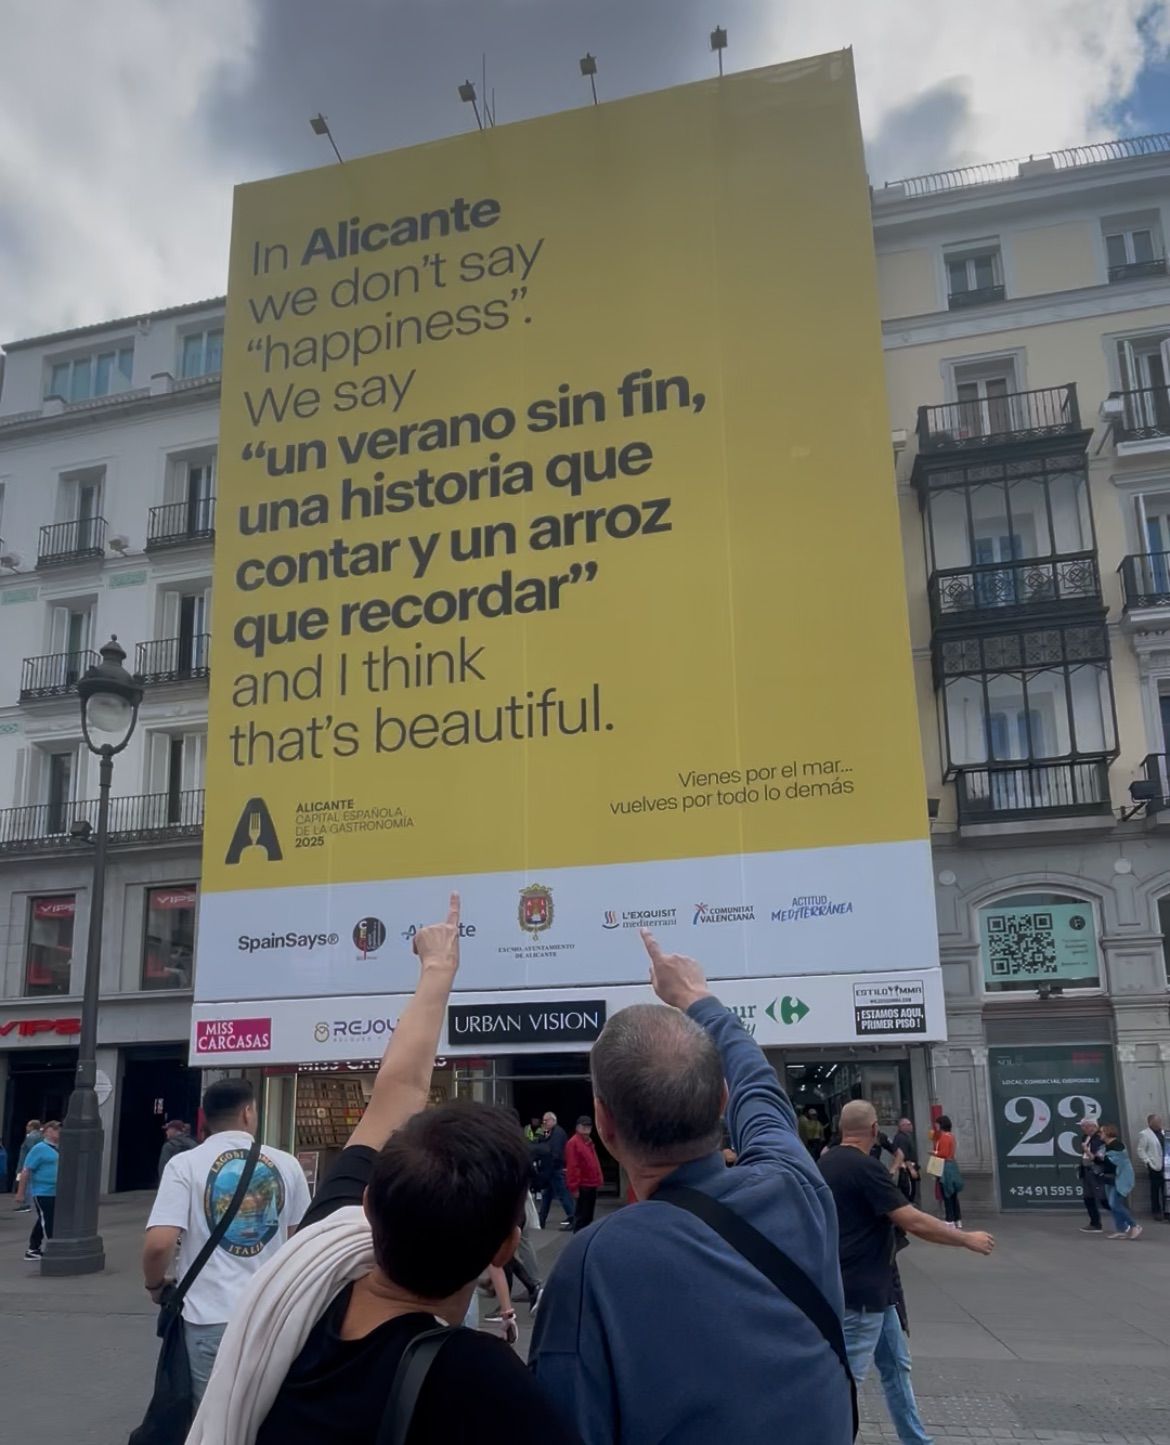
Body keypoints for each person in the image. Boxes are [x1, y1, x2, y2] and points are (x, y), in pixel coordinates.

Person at [187, 895, 582, 1445]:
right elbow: (402, 1089)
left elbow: (397, 1090)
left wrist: (436, 969)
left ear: (368, 1205)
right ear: (505, 1247)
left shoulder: (316, 1263)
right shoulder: (489, 1387)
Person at [530, 932, 853, 1444]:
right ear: (722, 1099)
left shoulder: (595, 1263)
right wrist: (696, 997)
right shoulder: (796, 1191)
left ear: (603, 1123)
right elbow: (762, 1091)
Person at [819, 1100, 994, 1445]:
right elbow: (911, 1220)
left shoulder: (826, 1162)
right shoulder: (864, 1167)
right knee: (845, 1383)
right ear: (873, 1130)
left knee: (897, 1369)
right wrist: (965, 1239)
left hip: (873, 1291)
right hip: (863, 1293)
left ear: (841, 1128)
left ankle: (916, 1441)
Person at [142, 1079, 311, 1406]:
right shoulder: (286, 1164)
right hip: (271, 1314)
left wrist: (154, 1286)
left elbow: (159, 1245)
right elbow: (298, 1242)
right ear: (248, 1112)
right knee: (268, 1415)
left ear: (205, 1116)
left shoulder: (185, 1165)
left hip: (210, 1317)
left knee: (214, 1420)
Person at [15, 1120, 60, 1259]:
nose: (60, 1132)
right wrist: (20, 1193)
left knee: (44, 1218)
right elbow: (26, 1170)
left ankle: (33, 1249)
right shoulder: (39, 1148)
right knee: (48, 1219)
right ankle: (54, 1248)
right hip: (43, 1191)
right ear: (48, 1131)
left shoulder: (58, 1148)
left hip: (55, 1191)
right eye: (57, 1129)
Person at [1100, 1123, 1142, 1240]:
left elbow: (1114, 1162)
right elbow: (1103, 1161)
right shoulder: (1106, 1146)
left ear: (1108, 1132)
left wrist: (1102, 1157)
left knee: (1115, 1204)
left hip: (1120, 1179)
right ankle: (1121, 1229)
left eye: (1102, 1132)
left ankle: (1134, 1225)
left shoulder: (1117, 1146)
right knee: (1113, 1205)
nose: (1100, 1134)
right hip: (1109, 1178)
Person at [565, 1115, 603, 1232]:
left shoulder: (588, 1142)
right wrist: (574, 1187)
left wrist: (598, 1179)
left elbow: (594, 1162)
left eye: (589, 1126)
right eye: (584, 1126)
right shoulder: (574, 1143)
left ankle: (583, 1238)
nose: (586, 1128)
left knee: (588, 1216)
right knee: (582, 1217)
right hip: (583, 1185)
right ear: (577, 1127)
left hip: (591, 1184)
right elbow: (573, 1166)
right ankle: (578, 1240)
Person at [537, 1111, 575, 1230]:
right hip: (550, 1168)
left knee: (562, 1194)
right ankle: (541, 1219)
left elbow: (555, 1152)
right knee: (547, 1196)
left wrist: (548, 1166)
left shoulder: (557, 1133)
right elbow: (541, 1142)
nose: (544, 1123)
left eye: (546, 1121)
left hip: (554, 1168)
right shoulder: (551, 1132)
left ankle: (573, 1217)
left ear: (553, 1121)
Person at [930, 1115, 962, 1228]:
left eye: (937, 1124)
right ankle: (957, 1218)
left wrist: (933, 1153)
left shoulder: (944, 1137)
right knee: (953, 1194)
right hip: (951, 1165)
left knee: (946, 1193)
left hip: (944, 1166)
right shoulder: (951, 1136)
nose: (935, 1126)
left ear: (941, 1124)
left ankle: (949, 1219)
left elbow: (942, 1153)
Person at [1077, 1115, 1107, 1234]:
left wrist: (1086, 1151)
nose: (1082, 1128)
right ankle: (1095, 1223)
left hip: (1096, 1171)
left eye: (1084, 1126)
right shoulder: (1085, 1137)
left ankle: (1126, 1221)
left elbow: (1099, 1157)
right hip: (1087, 1170)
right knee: (1088, 1198)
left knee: (1103, 1199)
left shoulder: (1100, 1138)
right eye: (1082, 1126)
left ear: (1092, 1126)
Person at [1136, 1114, 1165, 1217]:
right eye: (1157, 1122)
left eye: (1160, 1121)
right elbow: (1141, 1150)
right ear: (1150, 1123)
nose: (1159, 1124)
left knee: (1166, 1189)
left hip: (1166, 1165)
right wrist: (1147, 1161)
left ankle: (1167, 1211)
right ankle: (1156, 1211)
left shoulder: (1164, 1132)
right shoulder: (1145, 1134)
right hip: (1154, 1165)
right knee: (1155, 1189)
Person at [14, 1120, 42, 1213]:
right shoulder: (40, 1136)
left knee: (27, 1183)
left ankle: (27, 1204)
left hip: (27, 1163)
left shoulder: (31, 1137)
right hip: (32, 1164)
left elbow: (30, 1151)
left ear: (32, 1127)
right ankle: (29, 1203)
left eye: (28, 1126)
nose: (26, 1128)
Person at [890, 1117, 920, 1204]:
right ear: (902, 1126)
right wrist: (911, 1169)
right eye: (909, 1124)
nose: (911, 1126)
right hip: (906, 1169)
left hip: (910, 1166)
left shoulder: (907, 1137)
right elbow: (904, 1155)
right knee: (908, 1190)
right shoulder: (901, 1138)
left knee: (911, 1190)